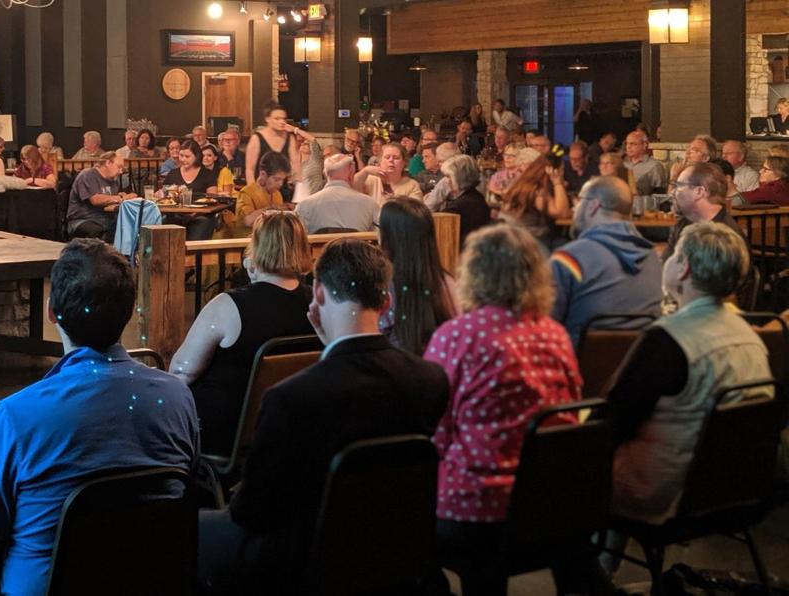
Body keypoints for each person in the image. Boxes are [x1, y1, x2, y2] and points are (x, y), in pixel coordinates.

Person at [0, 239, 197, 596]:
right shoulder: (177, 398)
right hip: (152, 579)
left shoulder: (18, 416)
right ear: (129, 310)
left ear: (52, 312)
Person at [197, 239, 449, 594]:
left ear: (318, 291)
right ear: (386, 300)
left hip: (300, 555)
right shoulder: (430, 380)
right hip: (395, 545)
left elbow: (252, 512)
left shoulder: (291, 398)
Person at [424, 224, 582, 596]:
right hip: (546, 502)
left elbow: (435, 426)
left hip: (473, 509)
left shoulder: (457, 335)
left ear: (473, 273)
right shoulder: (554, 333)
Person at [607, 223, 772, 529]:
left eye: (675, 255)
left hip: (660, 493)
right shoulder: (752, 337)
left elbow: (613, 420)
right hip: (732, 489)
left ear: (683, 269)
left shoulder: (668, 341)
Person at [170, 211, 314, 455]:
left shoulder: (228, 306)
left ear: (255, 250)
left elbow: (181, 373)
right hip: (296, 431)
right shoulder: (320, 304)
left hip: (227, 436)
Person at [550, 175, 663, 348]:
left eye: (579, 200)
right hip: (638, 367)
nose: (574, 207)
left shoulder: (569, 260)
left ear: (593, 205)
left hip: (577, 368)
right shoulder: (652, 258)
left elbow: (543, 324)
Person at [377, 198, 458, 355]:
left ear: (389, 236)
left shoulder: (382, 284)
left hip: (393, 372)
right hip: (438, 370)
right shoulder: (447, 282)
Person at [667, 162, 746, 259]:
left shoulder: (726, 238)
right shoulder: (682, 224)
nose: (672, 192)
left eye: (679, 186)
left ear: (699, 192)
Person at [499, 149, 570, 250]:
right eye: (562, 169)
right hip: (530, 242)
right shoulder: (537, 191)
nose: (563, 172)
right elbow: (563, 213)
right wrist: (557, 182)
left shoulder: (525, 184)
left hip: (516, 238)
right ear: (552, 170)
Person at [294, 154, 379, 234]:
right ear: (351, 172)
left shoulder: (304, 206)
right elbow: (380, 238)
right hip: (357, 249)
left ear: (325, 174)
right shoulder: (370, 204)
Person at [66, 152, 133, 241]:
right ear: (108, 163)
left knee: (130, 227)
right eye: (119, 167)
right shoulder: (88, 175)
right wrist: (120, 198)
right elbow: (95, 200)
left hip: (106, 218)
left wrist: (119, 196)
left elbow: (109, 199)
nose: (121, 171)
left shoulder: (114, 179)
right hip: (84, 219)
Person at [161, 140, 220, 240]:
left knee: (203, 223)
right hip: (175, 215)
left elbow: (212, 198)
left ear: (196, 156)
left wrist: (196, 213)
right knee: (164, 222)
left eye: (187, 157)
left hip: (200, 215)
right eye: (181, 155)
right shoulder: (173, 173)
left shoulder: (207, 174)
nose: (183, 159)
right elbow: (164, 195)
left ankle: (193, 255)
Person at [244, 102, 303, 191]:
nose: (282, 122)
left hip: (282, 188)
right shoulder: (256, 138)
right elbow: (249, 170)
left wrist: (300, 186)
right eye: (277, 118)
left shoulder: (290, 138)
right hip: (261, 188)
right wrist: (253, 193)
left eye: (284, 119)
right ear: (267, 119)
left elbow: (296, 164)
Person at [437, 154, 493, 246]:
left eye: (449, 176)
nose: (446, 181)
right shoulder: (477, 197)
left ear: (459, 178)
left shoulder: (459, 207)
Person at [233, 152, 292, 237]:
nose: (281, 184)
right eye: (276, 179)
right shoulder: (246, 193)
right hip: (248, 244)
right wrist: (271, 209)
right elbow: (248, 221)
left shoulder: (277, 194)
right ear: (263, 174)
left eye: (282, 180)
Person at [357, 142, 423, 202]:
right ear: (380, 161)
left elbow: (415, 212)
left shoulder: (412, 185)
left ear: (404, 163)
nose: (391, 160)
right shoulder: (371, 179)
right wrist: (365, 171)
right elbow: (352, 189)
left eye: (396, 158)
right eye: (387, 157)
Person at [623, 130, 667, 196]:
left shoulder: (654, 166)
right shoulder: (623, 164)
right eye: (627, 143)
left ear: (644, 145)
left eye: (633, 144)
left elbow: (660, 194)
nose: (628, 147)